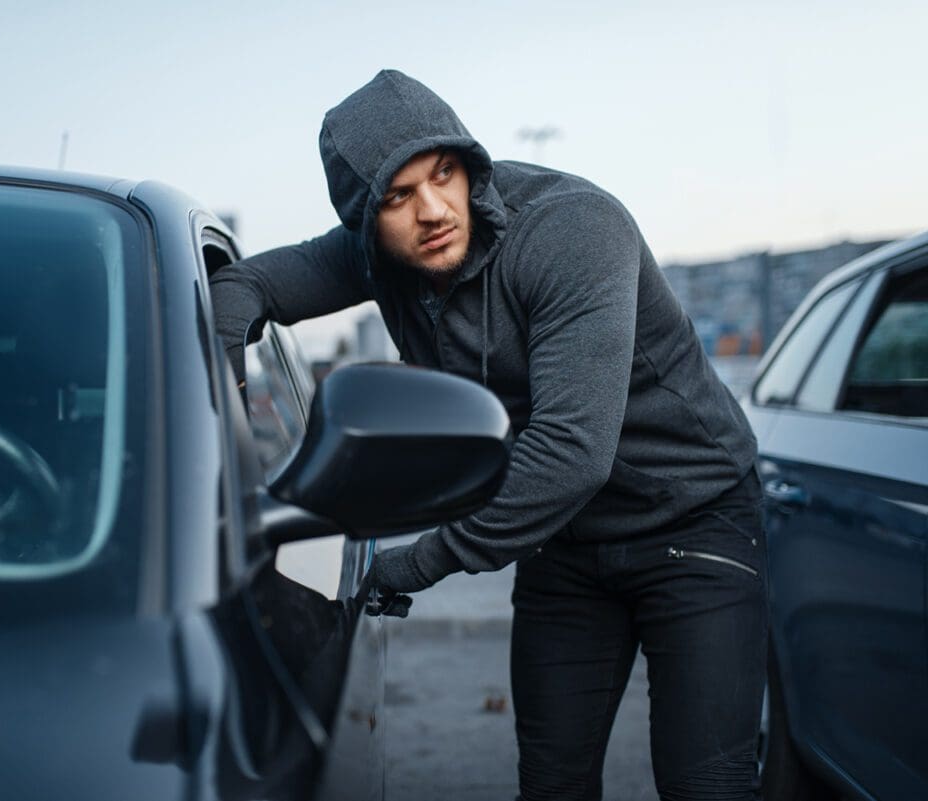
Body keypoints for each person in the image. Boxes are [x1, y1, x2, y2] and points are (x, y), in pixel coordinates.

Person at [210, 69, 766, 801]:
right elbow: (245, 286)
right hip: (563, 539)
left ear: (469, 164)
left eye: (444, 174)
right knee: (551, 783)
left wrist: (418, 561)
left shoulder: (573, 229)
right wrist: (226, 388)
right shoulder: (372, 254)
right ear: (364, 219)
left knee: (706, 784)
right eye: (398, 197)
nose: (434, 209)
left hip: (694, 519)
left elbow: (572, 452)